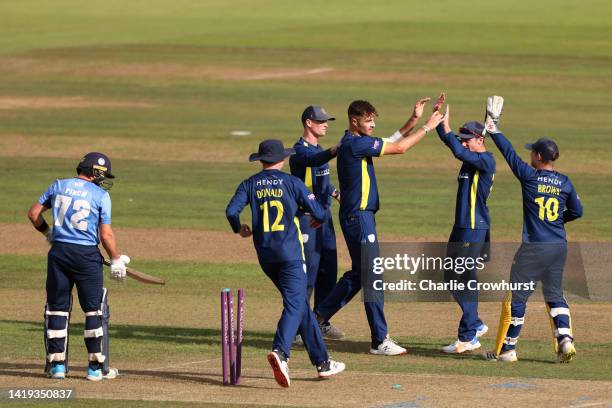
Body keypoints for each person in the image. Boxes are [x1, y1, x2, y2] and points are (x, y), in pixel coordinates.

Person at [313, 98, 444, 355]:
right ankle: (379, 340)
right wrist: (428, 127)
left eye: (374, 120)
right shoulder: (355, 144)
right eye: (368, 120)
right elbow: (400, 148)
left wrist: (414, 119)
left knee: (360, 275)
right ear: (354, 120)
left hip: (360, 217)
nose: (372, 125)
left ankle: (314, 319)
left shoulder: (355, 142)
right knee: (373, 276)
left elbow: (390, 140)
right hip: (358, 217)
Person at [226, 139, 346, 388]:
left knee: (300, 304)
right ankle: (281, 352)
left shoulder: (249, 184)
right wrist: (316, 216)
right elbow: (320, 211)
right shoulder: (292, 182)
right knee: (295, 304)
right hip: (291, 255)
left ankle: (322, 363)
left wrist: (240, 229)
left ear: (261, 160)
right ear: (281, 159)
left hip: (266, 257)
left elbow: (231, 211)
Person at [483, 96, 583, 363]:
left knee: (518, 297)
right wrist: (556, 223)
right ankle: (565, 339)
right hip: (558, 247)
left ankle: (508, 349)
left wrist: (493, 128)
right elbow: (578, 212)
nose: (529, 155)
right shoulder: (565, 182)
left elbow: (509, 155)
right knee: (555, 294)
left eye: (532, 152)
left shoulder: (529, 177)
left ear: (538, 157)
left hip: (533, 248)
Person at [27, 152, 130, 381]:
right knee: (93, 309)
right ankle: (95, 369)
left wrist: (49, 233)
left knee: (57, 309)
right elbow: (106, 234)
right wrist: (115, 259)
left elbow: (33, 214)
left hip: (59, 253)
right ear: (95, 172)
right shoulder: (101, 195)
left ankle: (57, 368)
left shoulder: (58, 186)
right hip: (86, 257)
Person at [433, 95, 495, 354]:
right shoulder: (470, 157)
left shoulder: (485, 160)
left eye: (467, 140)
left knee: (465, 278)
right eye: (463, 140)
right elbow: (454, 147)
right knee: (451, 276)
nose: (463, 145)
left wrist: (446, 129)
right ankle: (476, 323)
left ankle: (467, 336)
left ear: (480, 140)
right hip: (462, 226)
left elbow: (455, 149)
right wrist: (438, 121)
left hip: (474, 227)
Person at [289, 105, 344, 341]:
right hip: (307, 220)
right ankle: (301, 327)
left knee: (328, 272)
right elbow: (314, 161)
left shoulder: (319, 149)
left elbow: (321, 178)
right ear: (308, 123)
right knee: (308, 275)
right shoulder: (299, 151)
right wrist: (338, 148)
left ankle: (320, 322)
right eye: (321, 121)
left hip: (325, 218)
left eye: (327, 121)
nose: (326, 124)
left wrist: (335, 193)